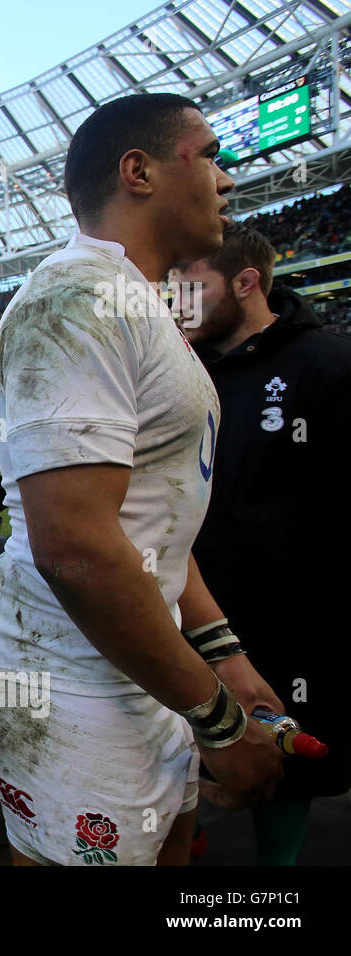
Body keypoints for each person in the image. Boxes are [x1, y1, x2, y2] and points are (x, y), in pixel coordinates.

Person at [0, 93, 285, 867]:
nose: (227, 179)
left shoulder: (141, 305)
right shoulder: (77, 299)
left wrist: (224, 654)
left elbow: (154, 519)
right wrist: (221, 725)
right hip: (68, 678)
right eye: (208, 155)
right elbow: (77, 546)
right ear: (138, 171)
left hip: (145, 659)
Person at [179, 221, 351, 864]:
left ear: (247, 282)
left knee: (286, 766)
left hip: (295, 619)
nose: (178, 305)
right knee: (183, 754)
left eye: (191, 288)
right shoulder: (185, 372)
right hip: (193, 609)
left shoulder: (328, 364)